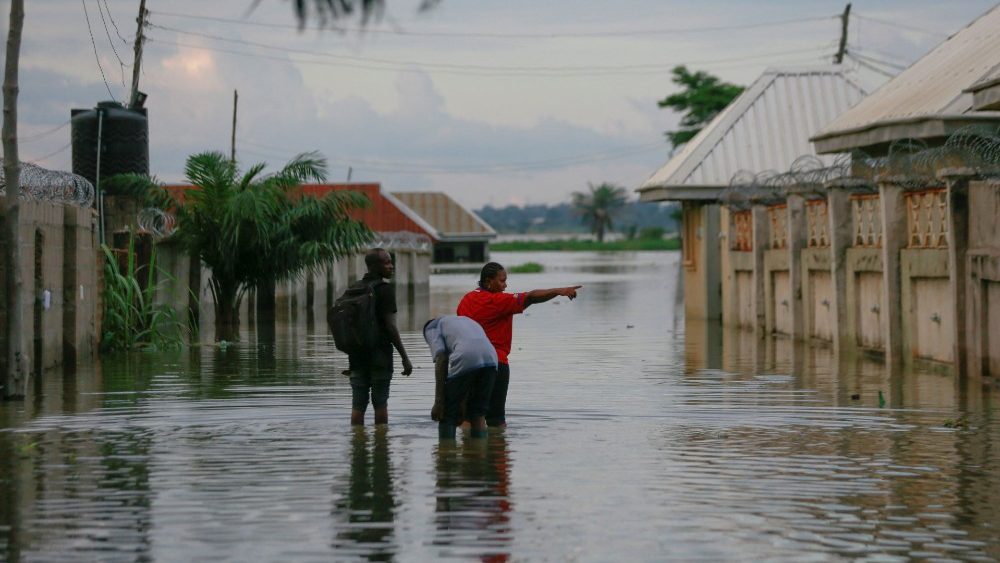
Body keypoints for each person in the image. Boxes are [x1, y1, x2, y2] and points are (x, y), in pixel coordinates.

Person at [457, 262, 581, 428]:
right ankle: (498, 449)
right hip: (495, 363)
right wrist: (558, 291)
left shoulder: (466, 300)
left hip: (468, 364)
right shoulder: (497, 301)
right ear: (488, 281)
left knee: (469, 418)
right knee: (496, 420)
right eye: (502, 281)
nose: (505, 285)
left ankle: (467, 450)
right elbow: (531, 297)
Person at [348, 248, 413, 426]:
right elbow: (391, 326)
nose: (391, 266)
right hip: (380, 357)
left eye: (391, 261)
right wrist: (405, 358)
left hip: (357, 356)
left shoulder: (354, 288)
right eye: (386, 262)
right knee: (380, 404)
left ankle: (358, 445)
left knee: (357, 406)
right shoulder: (385, 290)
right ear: (373, 266)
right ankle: (381, 447)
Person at [423, 315, 498, 439]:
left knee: (447, 413)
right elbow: (467, 380)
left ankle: (445, 454)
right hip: (491, 358)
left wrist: (439, 402)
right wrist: (462, 404)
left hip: (466, 355)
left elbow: (441, 359)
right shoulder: (465, 321)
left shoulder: (431, 328)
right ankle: (480, 453)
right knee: (477, 413)